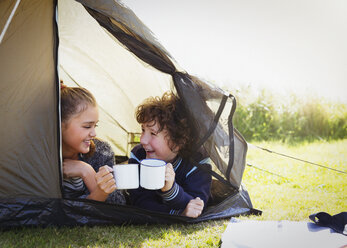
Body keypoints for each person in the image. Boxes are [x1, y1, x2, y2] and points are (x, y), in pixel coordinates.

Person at [128, 92, 212, 218]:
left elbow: (197, 204)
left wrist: (170, 190)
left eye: (153, 134)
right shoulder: (138, 156)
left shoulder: (199, 163)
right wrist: (177, 214)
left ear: (178, 141)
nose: (142, 140)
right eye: (143, 130)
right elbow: (140, 201)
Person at [61, 82, 125, 204]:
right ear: (60, 125)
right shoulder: (43, 156)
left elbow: (118, 205)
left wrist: (87, 172)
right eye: (87, 126)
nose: (94, 134)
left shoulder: (102, 152)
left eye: (95, 125)